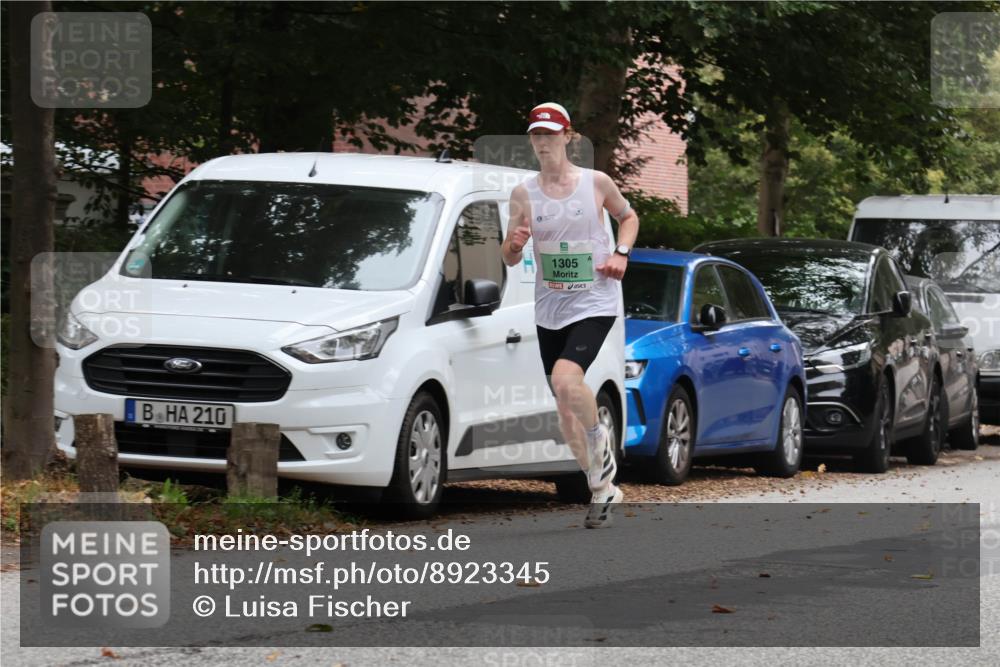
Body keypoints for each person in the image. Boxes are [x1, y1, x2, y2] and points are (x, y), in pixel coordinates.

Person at [501, 102, 639, 528]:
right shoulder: (524, 193)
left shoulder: (595, 183)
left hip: (595, 300)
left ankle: (600, 440)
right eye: (536, 135)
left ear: (568, 137)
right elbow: (507, 257)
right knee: (564, 406)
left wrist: (621, 252)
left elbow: (629, 217)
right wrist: (517, 243)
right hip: (550, 307)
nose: (543, 142)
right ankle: (601, 486)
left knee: (565, 378)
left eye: (550, 134)